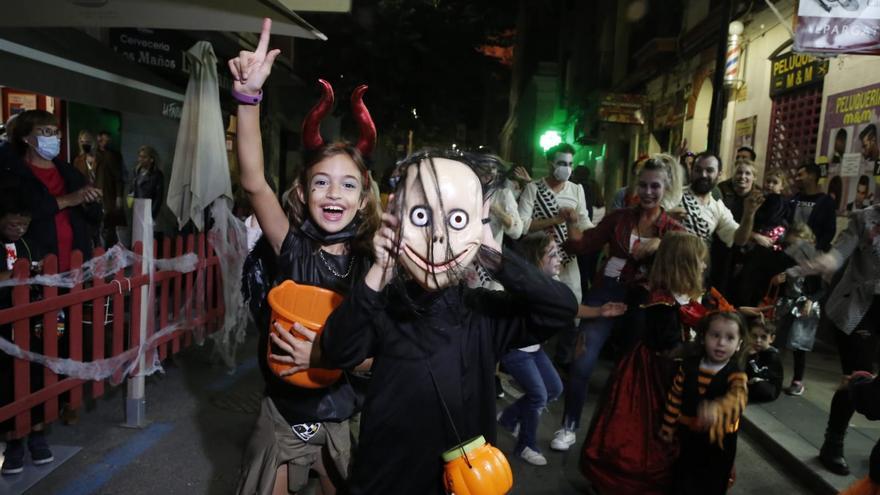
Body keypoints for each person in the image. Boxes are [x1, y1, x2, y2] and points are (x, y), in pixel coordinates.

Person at [318, 149, 578, 494]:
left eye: (457, 220)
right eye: (422, 215)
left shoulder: (484, 313)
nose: (437, 237)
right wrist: (379, 272)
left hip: (462, 482)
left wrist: (494, 254)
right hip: (386, 478)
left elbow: (559, 308)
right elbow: (337, 350)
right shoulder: (383, 304)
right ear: (396, 215)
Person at [229, 19, 381, 495]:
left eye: (348, 183)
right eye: (321, 181)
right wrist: (248, 98)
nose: (334, 192)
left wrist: (334, 358)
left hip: (341, 417)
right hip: (282, 415)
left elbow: (388, 357)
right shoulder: (290, 244)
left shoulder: (375, 264)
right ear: (304, 191)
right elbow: (253, 181)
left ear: (363, 198)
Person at [552, 155, 684, 452]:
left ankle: (617, 438)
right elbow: (584, 245)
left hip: (644, 304)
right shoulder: (619, 217)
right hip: (606, 294)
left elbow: (690, 262)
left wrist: (663, 244)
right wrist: (570, 225)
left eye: (655, 186)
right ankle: (569, 426)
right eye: (644, 185)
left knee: (629, 374)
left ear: (666, 187)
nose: (648, 192)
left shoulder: (673, 229)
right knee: (583, 362)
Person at [581, 230, 709, 495]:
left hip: (669, 372)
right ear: (683, 263)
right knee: (641, 430)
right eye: (700, 260)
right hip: (653, 374)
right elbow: (668, 348)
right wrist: (703, 345)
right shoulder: (662, 303)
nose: (704, 266)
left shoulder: (684, 296)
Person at [496, 233, 624, 466]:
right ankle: (526, 444)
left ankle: (509, 416)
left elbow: (568, 308)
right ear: (536, 261)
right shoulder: (527, 290)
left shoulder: (551, 288)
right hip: (516, 351)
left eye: (558, 253)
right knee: (538, 396)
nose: (559, 258)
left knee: (554, 389)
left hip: (533, 349)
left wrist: (600, 311)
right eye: (552, 254)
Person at [793, 204, 880, 476]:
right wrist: (824, 262)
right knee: (857, 378)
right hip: (859, 308)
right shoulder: (864, 218)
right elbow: (839, 253)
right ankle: (833, 443)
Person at [0, 110, 102, 273]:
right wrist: (68, 200)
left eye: (56, 132)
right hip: (35, 267)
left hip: (75, 266)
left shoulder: (70, 173)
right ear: (25, 137)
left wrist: (89, 202)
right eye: (46, 132)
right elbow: (25, 211)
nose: (54, 138)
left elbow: (95, 218)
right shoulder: (12, 174)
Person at [660, 311, 749, 495]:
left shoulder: (736, 374)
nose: (721, 343)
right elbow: (675, 397)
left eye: (730, 338)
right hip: (686, 438)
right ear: (703, 337)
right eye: (715, 335)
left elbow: (738, 399)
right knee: (681, 479)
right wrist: (667, 427)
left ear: (739, 344)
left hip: (719, 444)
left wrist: (718, 408)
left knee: (712, 484)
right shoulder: (688, 366)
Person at [0, 187, 54, 476]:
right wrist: (19, 274)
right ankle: (13, 443)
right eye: (12, 224)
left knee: (35, 377)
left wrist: (38, 268)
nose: (19, 229)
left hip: (30, 323)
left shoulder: (29, 244)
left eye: (24, 224)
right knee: (7, 383)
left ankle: (37, 435)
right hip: (3, 326)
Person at [517, 142, 593, 309]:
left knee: (572, 303)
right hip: (540, 258)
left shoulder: (576, 190)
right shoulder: (533, 188)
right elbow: (522, 226)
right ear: (549, 163)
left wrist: (595, 234)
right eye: (561, 163)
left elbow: (584, 222)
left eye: (570, 164)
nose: (567, 168)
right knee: (541, 305)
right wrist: (554, 220)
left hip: (567, 259)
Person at [771, 223, 824, 397]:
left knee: (799, 344)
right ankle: (771, 374)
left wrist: (811, 299)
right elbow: (778, 277)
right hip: (786, 303)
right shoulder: (786, 259)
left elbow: (823, 288)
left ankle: (797, 380)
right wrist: (778, 279)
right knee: (777, 341)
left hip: (805, 307)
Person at [675, 152, 758, 251]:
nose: (703, 175)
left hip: (697, 264)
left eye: (709, 170)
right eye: (698, 170)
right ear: (691, 171)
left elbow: (739, 239)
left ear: (719, 174)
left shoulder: (718, 208)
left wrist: (749, 215)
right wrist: (665, 217)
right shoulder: (675, 195)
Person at [788, 162, 836, 253]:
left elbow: (829, 231)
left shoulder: (826, 202)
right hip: (791, 251)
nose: (797, 179)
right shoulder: (794, 199)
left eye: (800, 175)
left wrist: (815, 248)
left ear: (812, 176)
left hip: (811, 254)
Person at [745, 317, 784, 403]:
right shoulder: (751, 349)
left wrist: (752, 357)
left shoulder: (772, 356)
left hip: (768, 387)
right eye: (754, 336)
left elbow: (759, 373)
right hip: (751, 381)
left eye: (763, 337)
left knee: (759, 385)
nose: (758, 341)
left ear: (771, 339)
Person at [129, 145, 165, 220]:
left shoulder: (157, 175)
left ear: (151, 159)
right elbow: (131, 190)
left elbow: (158, 198)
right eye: (140, 156)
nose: (140, 159)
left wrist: (151, 215)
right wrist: (129, 204)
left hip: (148, 208)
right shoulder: (136, 171)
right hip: (136, 207)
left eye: (144, 157)